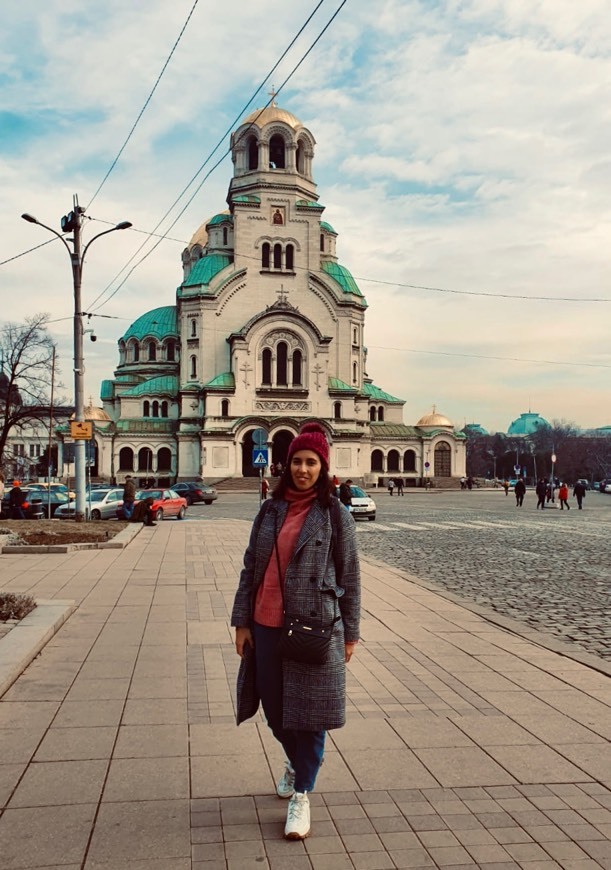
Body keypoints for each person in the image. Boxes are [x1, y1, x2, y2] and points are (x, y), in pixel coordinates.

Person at [231, 422, 360, 841]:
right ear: (287, 465)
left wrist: (351, 633)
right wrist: (241, 621)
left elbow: (351, 576)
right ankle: (296, 763)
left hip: (316, 625)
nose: (303, 469)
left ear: (323, 468)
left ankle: (302, 793)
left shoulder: (335, 514)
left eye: (312, 462)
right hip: (266, 624)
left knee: (312, 714)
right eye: (299, 462)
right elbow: (252, 565)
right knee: (273, 708)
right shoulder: (270, 509)